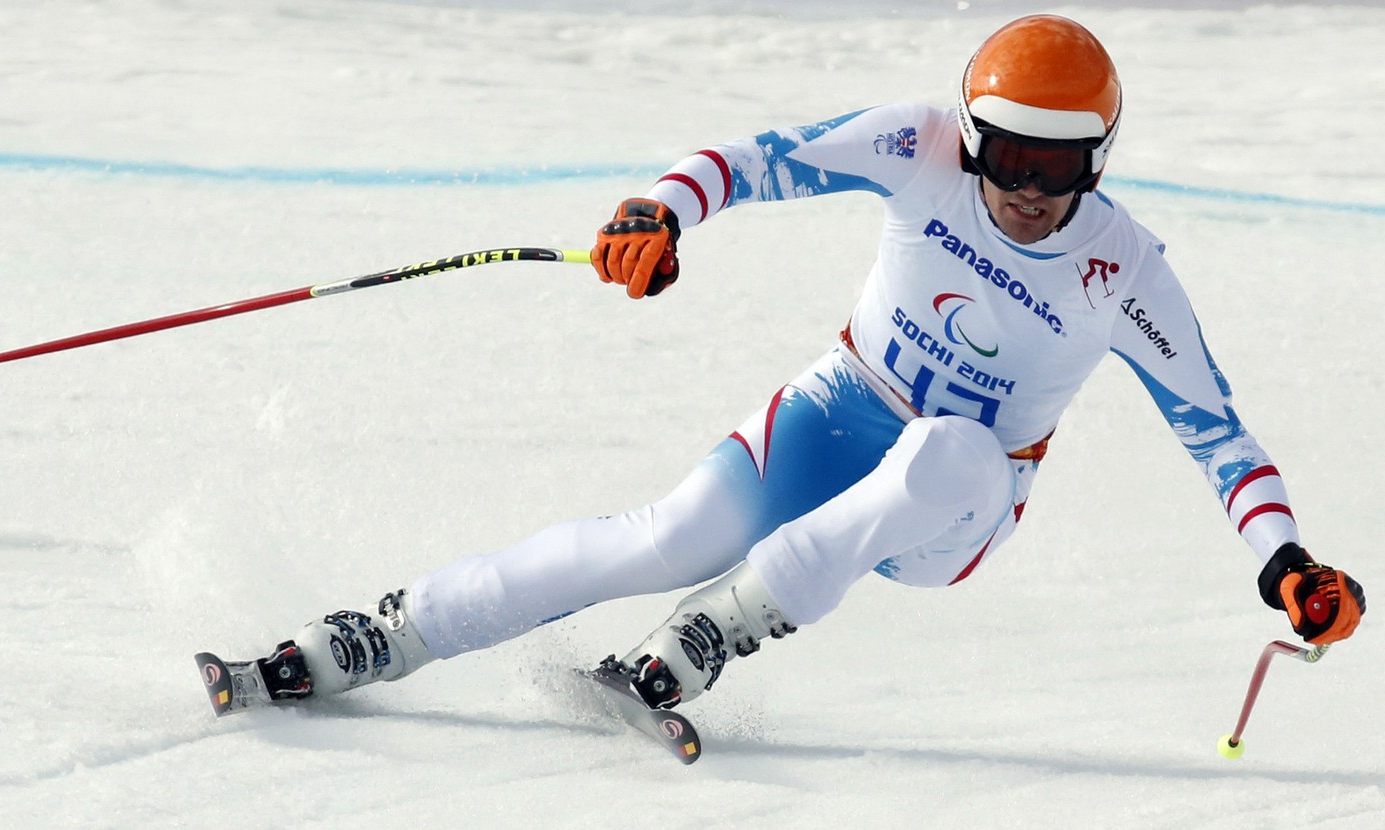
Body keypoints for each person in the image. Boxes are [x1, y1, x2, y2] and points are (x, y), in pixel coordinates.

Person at [237, 14, 1365, 712]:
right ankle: (385, 633)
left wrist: (1285, 564)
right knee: (666, 537)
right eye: (1009, 154)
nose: (1029, 185)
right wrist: (660, 210)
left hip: (957, 508)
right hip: (836, 409)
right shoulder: (919, 145)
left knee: (953, 448)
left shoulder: (1127, 272)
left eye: (1060, 164)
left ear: (1100, 161)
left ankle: (722, 625)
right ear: (969, 138)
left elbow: (1219, 436)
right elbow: (759, 157)